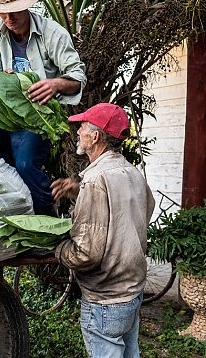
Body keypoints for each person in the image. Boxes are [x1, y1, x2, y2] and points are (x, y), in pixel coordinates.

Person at [0, 0, 87, 216]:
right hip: (1, 108)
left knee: (26, 164)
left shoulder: (53, 33)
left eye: (14, 10)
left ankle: (47, 218)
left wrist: (55, 84)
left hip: (37, 112)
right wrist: (0, 80)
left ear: (26, 7)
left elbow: (77, 78)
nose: (8, 17)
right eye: (2, 12)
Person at [51, 103, 155, 358]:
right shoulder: (132, 173)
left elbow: (87, 253)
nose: (78, 132)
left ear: (95, 136)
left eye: (82, 127)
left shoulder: (96, 180)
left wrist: (57, 248)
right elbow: (136, 213)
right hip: (131, 291)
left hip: (106, 300)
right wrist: (79, 192)